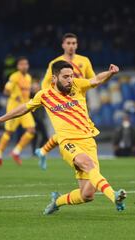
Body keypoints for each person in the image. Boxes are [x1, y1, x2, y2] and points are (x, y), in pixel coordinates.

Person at [0, 60, 127, 213]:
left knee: (87, 195)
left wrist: (110, 73)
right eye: (65, 77)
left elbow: (96, 79)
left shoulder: (77, 85)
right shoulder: (45, 95)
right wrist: (0, 119)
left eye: (71, 76)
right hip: (68, 142)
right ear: (54, 78)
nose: (69, 80)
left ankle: (57, 201)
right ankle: (114, 196)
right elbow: (23, 108)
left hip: (88, 141)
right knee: (88, 164)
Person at [35, 33, 96, 169]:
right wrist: (52, 100)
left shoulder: (84, 61)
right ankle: (85, 166)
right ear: (63, 45)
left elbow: (93, 80)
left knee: (74, 134)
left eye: (74, 43)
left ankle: (43, 151)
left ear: (77, 45)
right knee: (66, 133)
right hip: (62, 105)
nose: (71, 46)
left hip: (79, 104)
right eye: (68, 43)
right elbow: (45, 84)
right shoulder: (55, 63)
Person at [0, 57, 35, 166]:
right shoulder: (14, 76)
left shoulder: (29, 78)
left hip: (25, 108)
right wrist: (12, 93)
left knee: (31, 130)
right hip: (14, 108)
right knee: (9, 132)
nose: (24, 66)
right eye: (22, 64)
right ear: (18, 66)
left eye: (26, 64)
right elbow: (6, 90)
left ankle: (16, 152)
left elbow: (27, 92)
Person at [30, 79, 49, 169]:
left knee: (45, 137)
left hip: (40, 119)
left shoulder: (42, 95)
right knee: (35, 136)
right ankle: (35, 152)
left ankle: (39, 150)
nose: (35, 88)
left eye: (36, 86)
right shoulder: (31, 96)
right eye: (33, 87)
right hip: (34, 119)